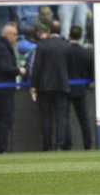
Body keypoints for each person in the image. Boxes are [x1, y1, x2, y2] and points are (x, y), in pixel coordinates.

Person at [30, 20, 71, 152]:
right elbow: (70, 66)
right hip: (62, 84)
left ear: (49, 31)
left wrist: (33, 85)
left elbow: (36, 67)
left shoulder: (42, 45)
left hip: (45, 86)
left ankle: (47, 145)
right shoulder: (66, 45)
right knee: (61, 117)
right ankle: (60, 145)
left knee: (46, 117)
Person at [0, 23, 25, 153]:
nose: (16, 37)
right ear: (8, 34)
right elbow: (4, 67)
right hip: (3, 90)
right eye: (15, 34)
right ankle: (1, 148)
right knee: (4, 119)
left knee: (1, 119)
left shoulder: (1, 46)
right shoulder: (1, 47)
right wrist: (18, 70)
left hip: (2, 89)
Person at [65, 25, 94, 150]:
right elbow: (92, 73)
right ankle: (88, 144)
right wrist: (85, 85)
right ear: (81, 36)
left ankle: (67, 144)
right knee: (84, 118)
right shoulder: (86, 53)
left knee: (65, 118)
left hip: (65, 88)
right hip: (81, 89)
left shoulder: (64, 52)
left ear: (69, 35)